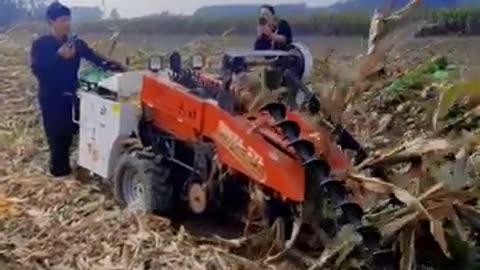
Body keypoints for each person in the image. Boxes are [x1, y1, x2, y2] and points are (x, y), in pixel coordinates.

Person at [30, 2, 126, 178]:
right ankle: (60, 177)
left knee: (82, 132)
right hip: (51, 100)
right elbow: (38, 69)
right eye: (62, 20)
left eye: (68, 19)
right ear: (51, 22)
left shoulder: (75, 43)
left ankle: (85, 167)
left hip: (72, 96)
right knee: (58, 142)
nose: (67, 23)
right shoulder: (41, 45)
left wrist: (112, 65)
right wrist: (58, 57)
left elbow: (94, 58)